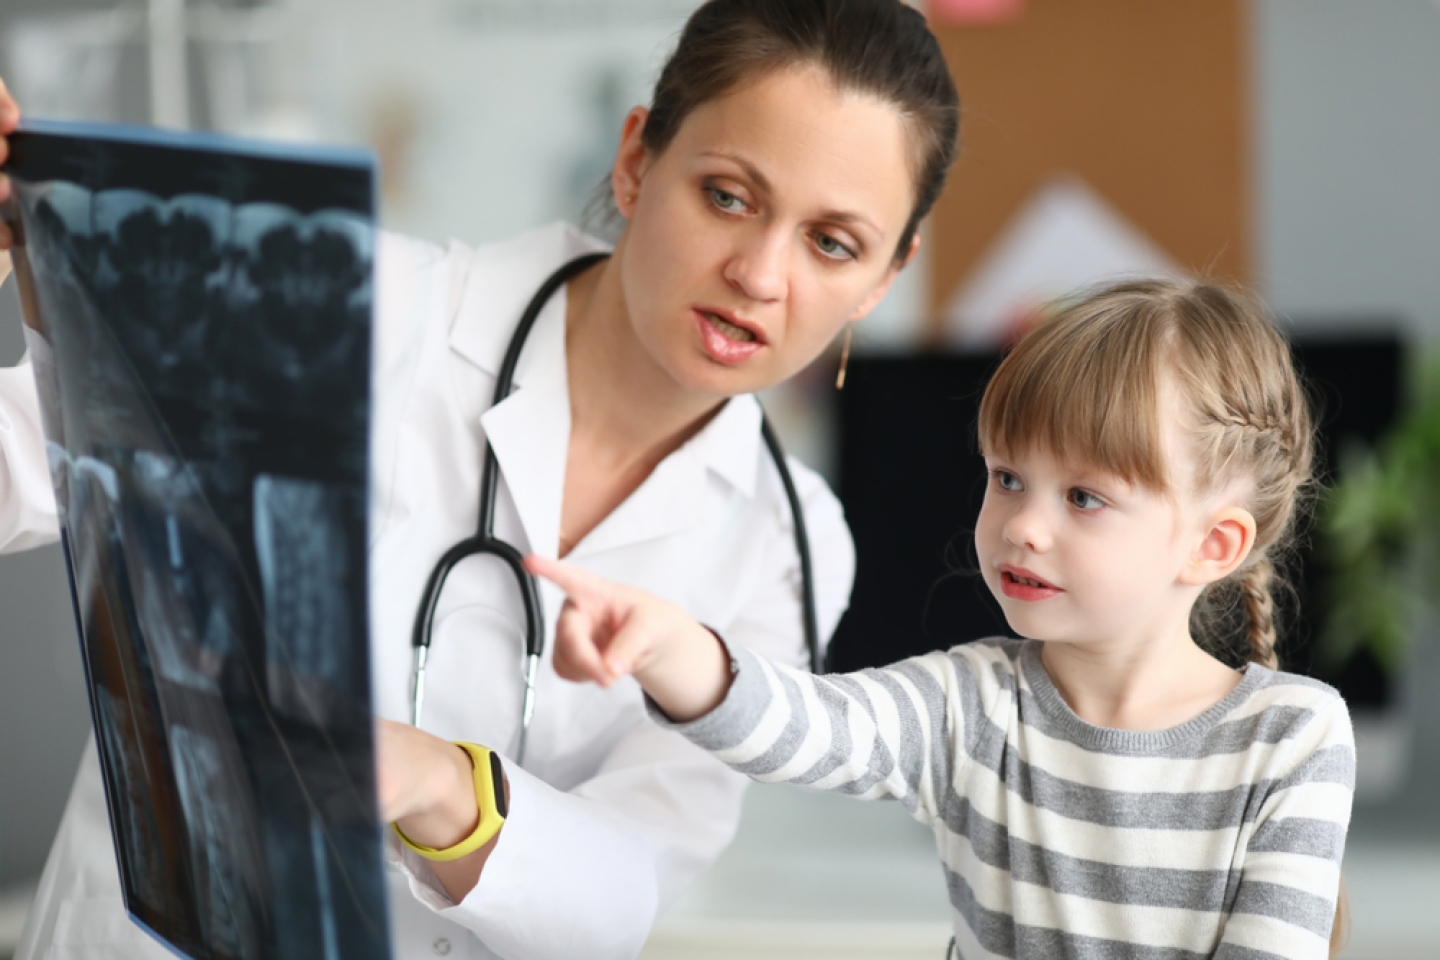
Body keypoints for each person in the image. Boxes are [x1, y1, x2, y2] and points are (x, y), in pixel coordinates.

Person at [0, 1, 960, 958]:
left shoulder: (791, 540)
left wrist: (436, 782)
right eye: (727, 195)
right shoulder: (347, 311)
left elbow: (622, 898)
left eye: (832, 243)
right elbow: (24, 469)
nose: (759, 273)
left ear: (884, 275)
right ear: (636, 162)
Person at [529, 279, 1357, 959]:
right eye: (1007, 477)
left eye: (1083, 497)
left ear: (1212, 545)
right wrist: (670, 644)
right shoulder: (972, 704)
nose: (1024, 525)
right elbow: (812, 725)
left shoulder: (1295, 736)